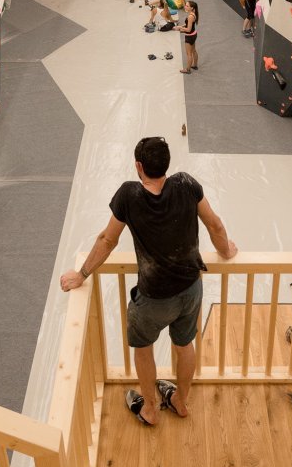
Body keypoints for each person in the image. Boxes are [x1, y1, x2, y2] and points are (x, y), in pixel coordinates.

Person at [59, 137, 238, 426]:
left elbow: (108, 239)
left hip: (153, 298)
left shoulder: (129, 195)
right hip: (191, 289)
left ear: (139, 166)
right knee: (184, 346)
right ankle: (180, 401)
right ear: (167, 163)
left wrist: (81, 275)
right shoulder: (186, 184)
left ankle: (150, 409)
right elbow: (215, 224)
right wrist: (227, 251)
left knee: (143, 349)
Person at [178, 1, 199, 74]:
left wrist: (180, 29)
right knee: (194, 51)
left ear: (192, 8)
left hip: (189, 36)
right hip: (194, 34)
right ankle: (195, 65)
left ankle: (188, 69)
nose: (185, 7)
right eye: (185, 5)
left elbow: (188, 29)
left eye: (187, 6)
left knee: (189, 54)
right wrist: (181, 26)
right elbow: (188, 24)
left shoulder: (190, 16)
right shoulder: (193, 14)